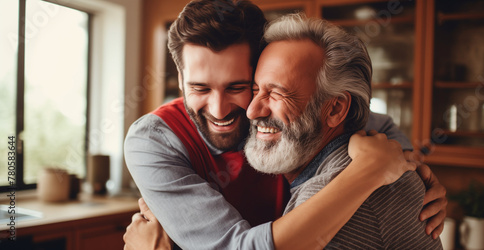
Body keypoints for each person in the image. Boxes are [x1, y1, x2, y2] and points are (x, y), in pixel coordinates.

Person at [123, 0, 447, 249]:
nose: (223, 110)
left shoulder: (274, 115)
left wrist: (406, 165)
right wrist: (376, 169)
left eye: (239, 87)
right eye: (199, 88)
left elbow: (366, 121)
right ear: (179, 79)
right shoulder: (155, 140)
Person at [244, 14, 442, 249]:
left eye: (277, 93)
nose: (252, 110)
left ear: (335, 108)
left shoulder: (330, 198)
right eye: (255, 90)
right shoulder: (362, 166)